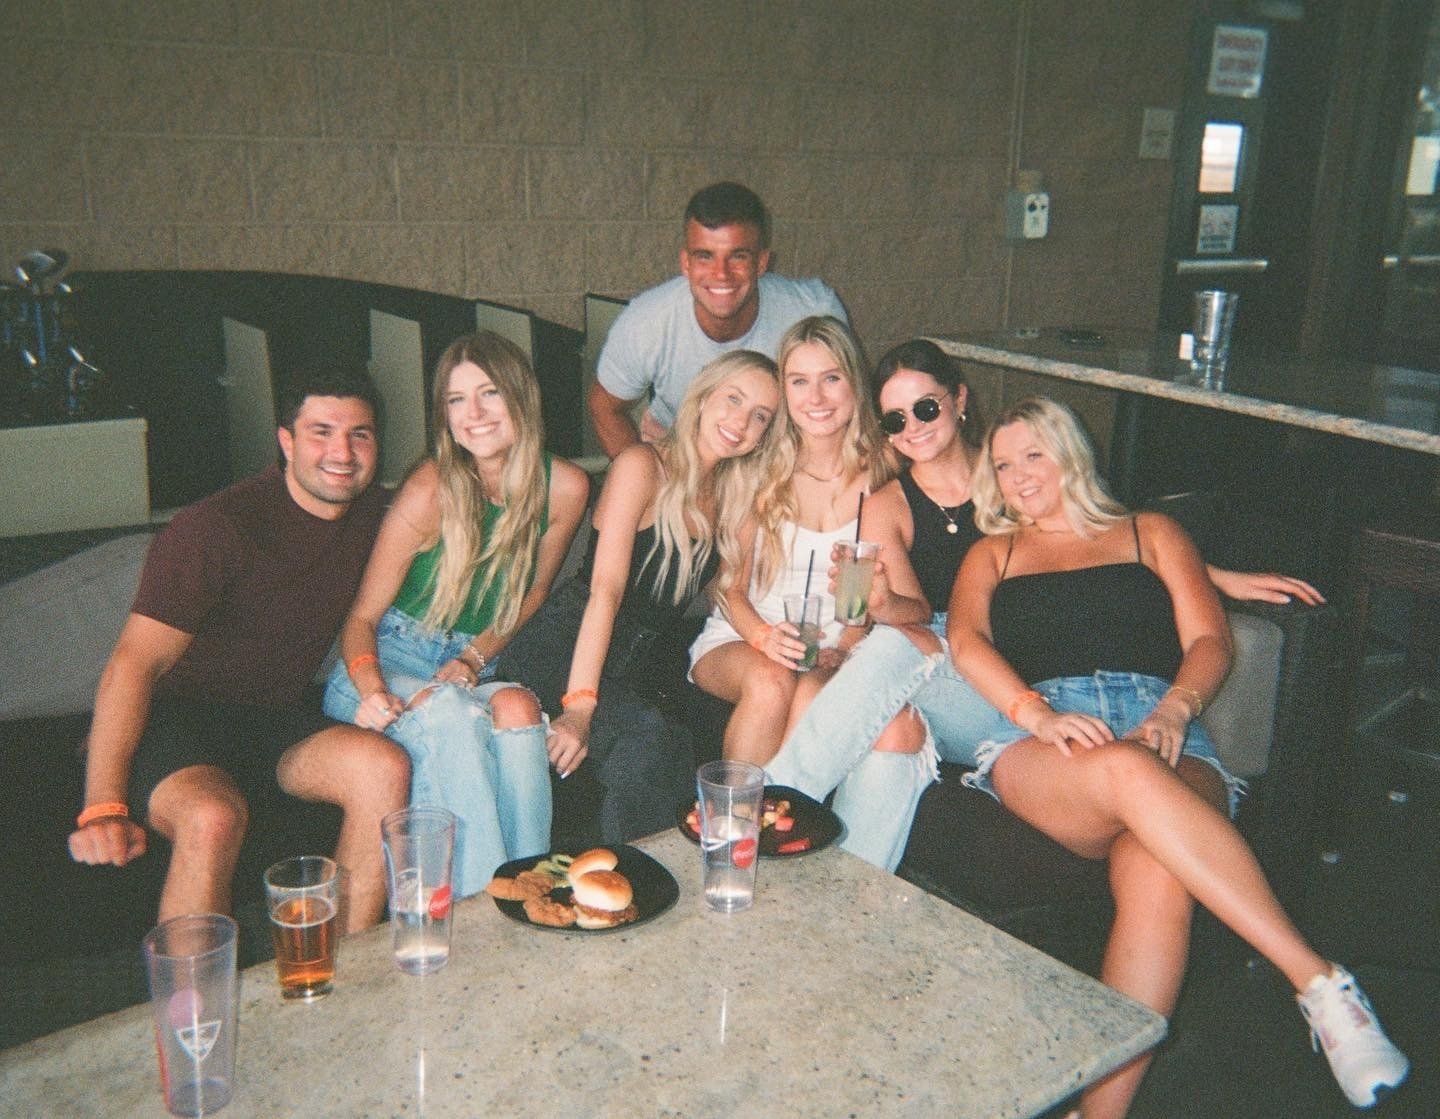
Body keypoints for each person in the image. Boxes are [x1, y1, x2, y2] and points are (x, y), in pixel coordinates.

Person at [947, 396, 1408, 1117]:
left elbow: (1209, 639)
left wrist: (1175, 708)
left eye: (1032, 453)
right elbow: (966, 641)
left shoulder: (1151, 532)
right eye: (1003, 464)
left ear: (1070, 452)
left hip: (1165, 721)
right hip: (1049, 740)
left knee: (1160, 870)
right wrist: (1035, 712)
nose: (1018, 475)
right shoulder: (993, 552)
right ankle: (1319, 983)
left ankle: (1098, 1112)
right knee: (1128, 772)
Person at [767, 339, 1327, 870]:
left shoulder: (1012, 473)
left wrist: (1212, 577)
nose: (912, 427)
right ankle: (815, 859)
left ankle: (768, 800)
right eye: (895, 420)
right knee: (894, 716)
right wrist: (877, 607)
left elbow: (1091, 543)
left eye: (925, 407)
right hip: (949, 666)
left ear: (959, 400)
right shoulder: (888, 503)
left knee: (892, 666)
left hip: (1022, 672)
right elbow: (882, 611)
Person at [67, 366, 409, 933]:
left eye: (360, 434)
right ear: (286, 440)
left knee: (383, 766)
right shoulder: (216, 528)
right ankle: (189, 1016)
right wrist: (103, 805)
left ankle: (352, 978)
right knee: (212, 816)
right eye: (321, 431)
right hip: (175, 720)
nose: (342, 452)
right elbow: (134, 663)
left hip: (272, 718)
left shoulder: (379, 516)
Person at [323, 333, 589, 897]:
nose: (474, 415)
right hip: (383, 661)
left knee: (517, 708)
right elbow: (361, 618)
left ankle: (530, 890)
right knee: (450, 714)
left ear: (522, 398)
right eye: (456, 399)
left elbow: (532, 595)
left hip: (471, 659)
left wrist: (473, 657)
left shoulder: (564, 487)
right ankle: (478, 910)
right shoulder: (430, 489)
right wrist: (371, 689)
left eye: (490, 393)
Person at [495, 351, 782, 840]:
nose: (741, 421)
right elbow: (604, 592)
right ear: (703, 396)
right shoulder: (641, 464)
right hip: (575, 645)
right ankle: (627, 885)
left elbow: (728, 588)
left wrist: (764, 637)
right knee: (649, 743)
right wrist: (580, 706)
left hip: (653, 659)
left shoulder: (737, 494)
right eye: (733, 399)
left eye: (760, 416)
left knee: (686, 740)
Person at [689, 317, 932, 784]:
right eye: (799, 381)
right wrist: (764, 638)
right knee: (772, 679)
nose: (815, 398)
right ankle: (733, 823)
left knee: (808, 692)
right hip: (744, 638)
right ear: (783, 391)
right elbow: (728, 588)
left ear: (854, 384)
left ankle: (779, 824)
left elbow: (891, 595)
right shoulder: (759, 471)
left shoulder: (887, 469)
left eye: (831, 379)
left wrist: (847, 643)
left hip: (840, 647)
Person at [589, 181, 846, 457]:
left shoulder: (814, 312)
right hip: (683, 456)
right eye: (705, 257)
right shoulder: (646, 323)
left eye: (737, 256)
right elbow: (604, 407)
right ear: (686, 263)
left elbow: (847, 405)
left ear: (761, 262)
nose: (721, 274)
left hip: (781, 459)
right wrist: (650, 479)